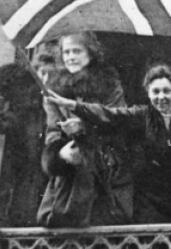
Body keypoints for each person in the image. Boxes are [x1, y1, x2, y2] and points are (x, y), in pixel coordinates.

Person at [47, 63, 171, 224]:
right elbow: (109, 114)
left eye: (167, 91)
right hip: (152, 196)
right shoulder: (142, 114)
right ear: (148, 93)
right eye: (156, 92)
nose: (161, 97)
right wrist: (73, 105)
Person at [38, 32, 134, 227]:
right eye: (66, 52)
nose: (71, 57)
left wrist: (85, 127)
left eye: (77, 51)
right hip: (71, 174)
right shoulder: (54, 90)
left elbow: (118, 121)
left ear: (90, 54)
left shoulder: (110, 85)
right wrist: (60, 154)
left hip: (105, 168)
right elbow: (53, 132)